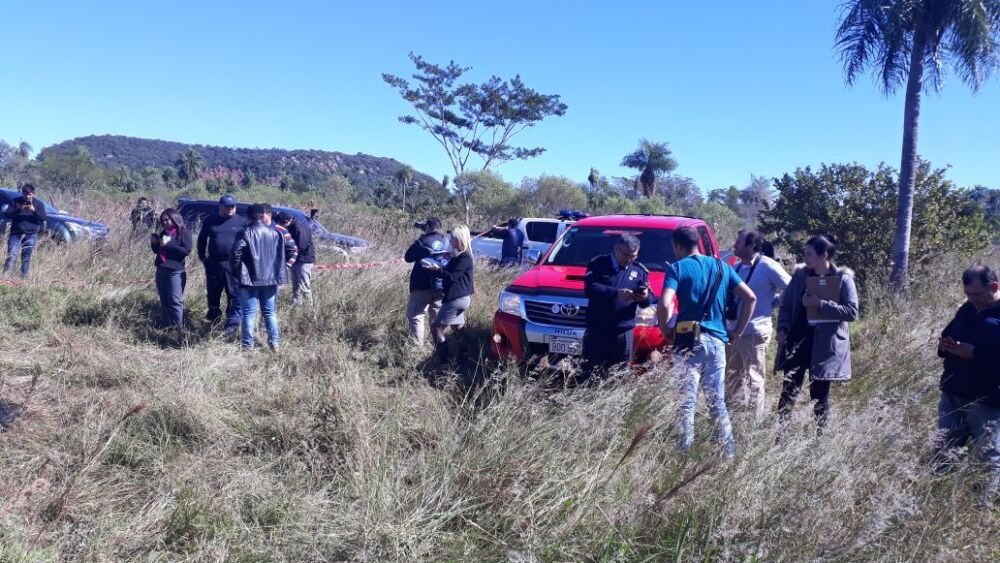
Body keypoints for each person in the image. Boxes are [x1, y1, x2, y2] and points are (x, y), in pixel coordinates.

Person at [657, 226, 756, 459]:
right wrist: (738, 331)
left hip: (688, 341)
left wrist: (665, 328)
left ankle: (684, 453)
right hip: (717, 341)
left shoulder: (677, 269)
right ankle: (728, 453)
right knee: (717, 401)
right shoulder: (723, 267)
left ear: (677, 246)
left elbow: (664, 303)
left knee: (686, 401)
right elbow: (750, 297)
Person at [775, 235, 858, 427]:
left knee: (820, 396)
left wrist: (820, 304)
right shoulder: (800, 276)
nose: (806, 258)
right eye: (805, 254)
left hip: (825, 347)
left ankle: (819, 440)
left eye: (810, 254)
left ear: (825, 255)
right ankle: (780, 437)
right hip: (797, 342)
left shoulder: (843, 279)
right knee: (788, 392)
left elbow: (852, 312)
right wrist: (782, 328)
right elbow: (786, 306)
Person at [934, 264, 1000, 500]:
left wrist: (973, 353)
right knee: (943, 449)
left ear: (994, 287)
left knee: (987, 456)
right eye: (967, 294)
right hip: (954, 391)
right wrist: (946, 345)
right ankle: (936, 499)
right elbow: (948, 333)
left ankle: (981, 508)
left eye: (976, 294)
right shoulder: (967, 309)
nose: (971, 299)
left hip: (987, 399)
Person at [725, 230, 791, 417]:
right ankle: (734, 419)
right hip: (732, 332)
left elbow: (792, 287)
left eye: (739, 241)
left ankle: (755, 424)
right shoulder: (735, 268)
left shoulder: (768, 266)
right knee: (732, 377)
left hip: (754, 332)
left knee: (754, 378)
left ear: (751, 246)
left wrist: (774, 302)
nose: (734, 244)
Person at [580, 234, 652, 381]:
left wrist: (644, 297)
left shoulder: (639, 271)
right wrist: (616, 294)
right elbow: (590, 289)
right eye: (626, 254)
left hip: (623, 331)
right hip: (597, 329)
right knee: (591, 373)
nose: (629, 259)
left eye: (634, 256)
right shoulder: (598, 263)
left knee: (619, 375)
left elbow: (647, 302)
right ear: (616, 249)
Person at [231, 204, 297, 351]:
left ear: (247, 217)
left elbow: (235, 254)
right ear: (262, 216)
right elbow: (292, 249)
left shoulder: (245, 233)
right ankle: (274, 343)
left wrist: (237, 272)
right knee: (269, 312)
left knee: (249, 313)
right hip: (271, 279)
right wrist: (281, 267)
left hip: (248, 280)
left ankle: (248, 346)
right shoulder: (276, 233)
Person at [196, 194, 247, 334]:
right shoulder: (210, 221)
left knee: (234, 294)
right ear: (220, 207)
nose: (230, 209)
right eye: (227, 206)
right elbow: (201, 240)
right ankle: (213, 321)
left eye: (233, 206)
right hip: (214, 264)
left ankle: (231, 326)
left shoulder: (242, 222)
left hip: (235, 266)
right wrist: (203, 258)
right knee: (213, 293)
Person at [425, 225, 475, 362]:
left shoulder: (464, 258)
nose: (451, 240)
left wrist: (437, 269)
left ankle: (443, 361)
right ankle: (465, 356)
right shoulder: (459, 256)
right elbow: (450, 272)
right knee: (457, 327)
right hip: (459, 298)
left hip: (455, 299)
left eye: (453, 238)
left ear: (460, 240)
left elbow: (452, 277)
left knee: (437, 328)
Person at [404, 217, 449, 344]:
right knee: (436, 317)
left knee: (416, 315)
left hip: (421, 285)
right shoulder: (447, 241)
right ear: (440, 227)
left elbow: (408, 257)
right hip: (442, 285)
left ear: (428, 227)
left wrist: (420, 238)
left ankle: (417, 348)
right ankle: (439, 346)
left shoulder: (422, 241)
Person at [150, 208, 193, 330]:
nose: (164, 223)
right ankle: (168, 327)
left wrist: (169, 243)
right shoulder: (164, 233)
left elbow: (186, 251)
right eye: (162, 221)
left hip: (175, 271)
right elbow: (158, 251)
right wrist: (154, 243)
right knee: (164, 301)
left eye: (166, 220)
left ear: (175, 218)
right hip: (161, 269)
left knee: (175, 301)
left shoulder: (184, 233)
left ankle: (179, 329)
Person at [3, 184, 46, 278]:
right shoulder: (16, 201)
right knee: (11, 255)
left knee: (26, 258)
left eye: (30, 194)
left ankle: (23, 278)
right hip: (16, 233)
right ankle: (5, 277)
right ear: (22, 193)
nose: (27, 196)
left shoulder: (38, 204)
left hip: (31, 234)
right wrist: (20, 209)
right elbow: (7, 215)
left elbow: (43, 218)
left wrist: (34, 210)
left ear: (33, 194)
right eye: (25, 194)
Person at [275, 211, 314, 305]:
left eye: (281, 224)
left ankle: (309, 309)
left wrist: (287, 252)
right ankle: (297, 305)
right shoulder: (291, 227)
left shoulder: (299, 228)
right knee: (296, 285)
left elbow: (301, 246)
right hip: (296, 260)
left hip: (304, 260)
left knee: (304, 286)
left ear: (285, 222)